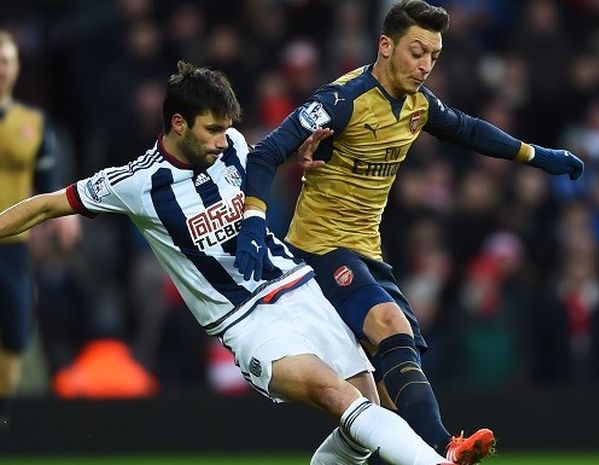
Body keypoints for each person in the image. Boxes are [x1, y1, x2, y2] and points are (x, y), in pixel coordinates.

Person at [0, 60, 462, 465]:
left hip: (300, 289)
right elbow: (45, 205)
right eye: (212, 130)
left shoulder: (235, 144)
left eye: (226, 128)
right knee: (334, 395)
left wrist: (298, 157)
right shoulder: (137, 183)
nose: (224, 140)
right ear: (178, 123)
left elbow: (262, 159)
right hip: (246, 321)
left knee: (367, 415)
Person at [235, 1, 584, 463]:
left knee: (387, 397)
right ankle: (447, 447)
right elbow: (264, 154)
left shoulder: (419, 105)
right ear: (386, 45)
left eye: (433, 57)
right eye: (417, 51)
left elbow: (468, 130)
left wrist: (537, 155)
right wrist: (255, 221)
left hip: (367, 253)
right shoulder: (341, 101)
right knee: (389, 324)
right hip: (318, 250)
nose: (424, 66)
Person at [0, 30, 81, 427]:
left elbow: (47, 180)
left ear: (16, 69)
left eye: (6, 60)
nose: (1, 69)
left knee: (15, 333)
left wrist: (62, 222)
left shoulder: (32, 123)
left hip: (13, 245)